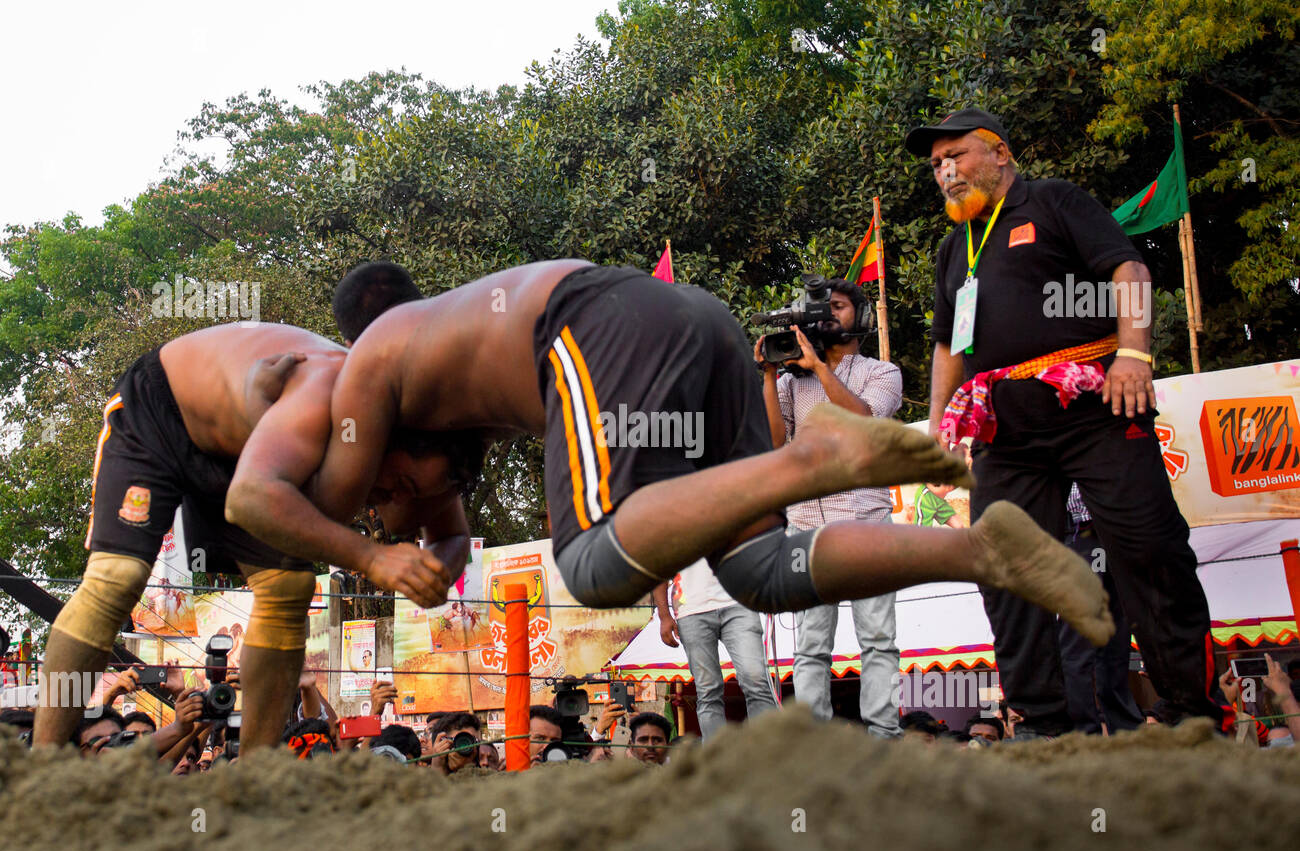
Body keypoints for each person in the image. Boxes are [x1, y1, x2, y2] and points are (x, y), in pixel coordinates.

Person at [302, 262, 1111, 651]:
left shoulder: (365, 359)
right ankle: (981, 551)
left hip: (585, 323)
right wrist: (420, 551)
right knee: (761, 569)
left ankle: (815, 455)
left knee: (589, 562)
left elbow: (325, 501)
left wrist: (371, 552)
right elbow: (436, 516)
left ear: (351, 332)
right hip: (697, 322)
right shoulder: (436, 355)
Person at [909, 107, 1225, 737]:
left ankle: (1191, 712)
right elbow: (947, 344)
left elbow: (1129, 270)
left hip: (1095, 409)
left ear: (1001, 153)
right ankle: (1044, 723)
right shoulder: (954, 247)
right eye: (937, 164)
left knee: (1149, 550)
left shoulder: (1054, 202)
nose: (945, 172)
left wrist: (1134, 354)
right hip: (1006, 431)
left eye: (957, 156)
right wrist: (940, 424)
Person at [33, 324, 462, 756]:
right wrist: (373, 558)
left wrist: (437, 573)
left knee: (289, 587)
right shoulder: (329, 403)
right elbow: (249, 501)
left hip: (244, 459)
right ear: (383, 438)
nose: (397, 499)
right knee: (117, 577)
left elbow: (453, 535)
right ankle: (43, 760)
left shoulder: (432, 452)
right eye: (400, 482)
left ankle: (255, 772)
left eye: (415, 494)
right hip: (162, 413)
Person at [756, 277, 903, 735]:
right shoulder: (792, 380)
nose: (825, 316)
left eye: (836, 307)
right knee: (811, 646)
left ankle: (882, 735)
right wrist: (767, 374)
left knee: (877, 639)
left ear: (859, 317)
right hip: (805, 527)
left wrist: (820, 368)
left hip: (865, 522)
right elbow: (775, 441)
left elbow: (861, 421)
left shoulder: (883, 372)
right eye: (819, 309)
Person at [652, 559, 777, 738]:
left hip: (739, 602)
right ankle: (717, 758)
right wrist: (664, 615)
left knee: (756, 678)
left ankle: (770, 754)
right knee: (708, 690)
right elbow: (659, 565)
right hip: (691, 609)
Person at [1057, 484, 1143, 734]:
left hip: (1118, 533)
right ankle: (1083, 731)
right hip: (1080, 532)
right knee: (1077, 643)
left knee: (1115, 637)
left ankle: (1126, 728)